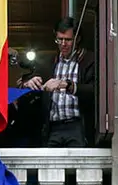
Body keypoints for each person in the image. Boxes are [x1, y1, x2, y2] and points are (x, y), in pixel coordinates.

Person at [21, 16, 96, 147]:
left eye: (68, 40)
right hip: (52, 126)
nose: (63, 44)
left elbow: (95, 91)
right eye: (59, 39)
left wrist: (68, 85)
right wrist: (29, 83)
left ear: (77, 39)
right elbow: (24, 82)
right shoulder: (49, 62)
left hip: (78, 126)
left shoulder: (90, 60)